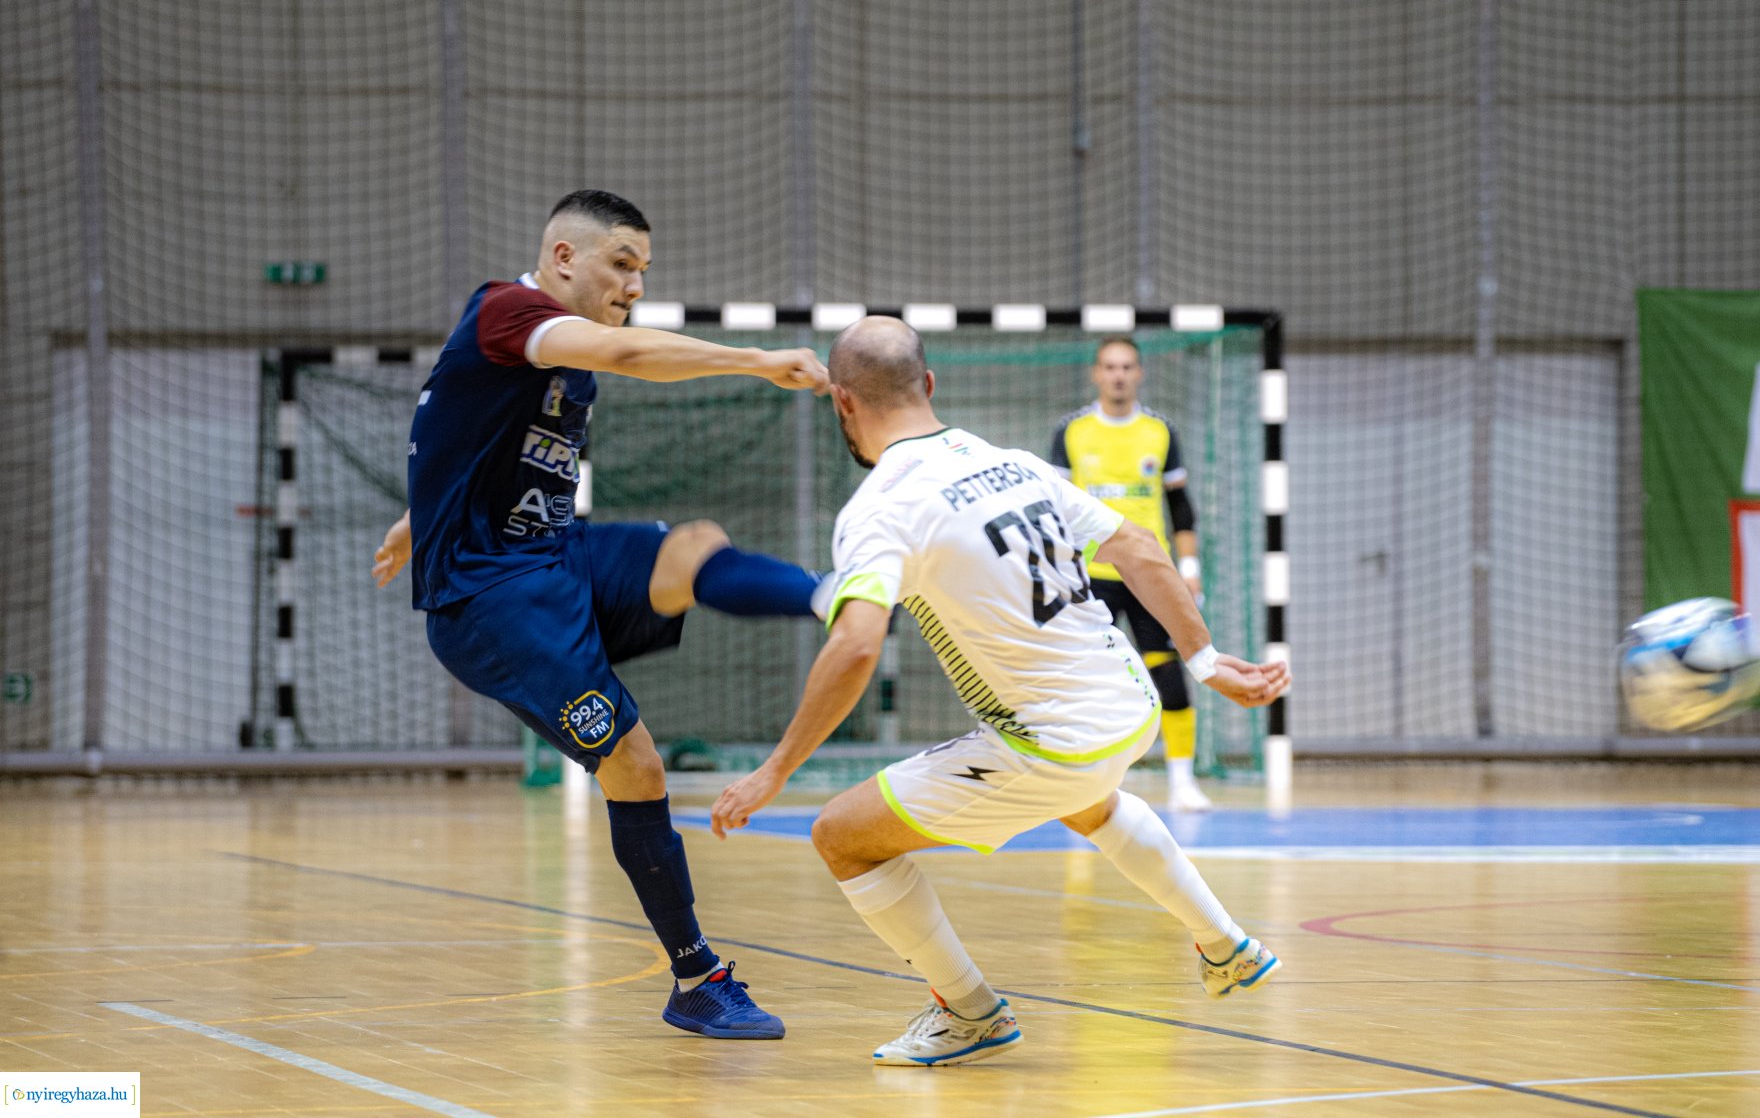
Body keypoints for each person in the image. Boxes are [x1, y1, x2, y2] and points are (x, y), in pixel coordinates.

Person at [710, 317, 1289, 1067]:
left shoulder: (880, 507)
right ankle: (1227, 944)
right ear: (929, 385)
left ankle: (970, 1010)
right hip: (1130, 704)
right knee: (1088, 797)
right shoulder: (1013, 462)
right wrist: (1205, 662)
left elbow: (855, 644)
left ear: (842, 403)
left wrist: (774, 770)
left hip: (1055, 739)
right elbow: (1140, 548)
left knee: (841, 836)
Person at [371, 189, 831, 1041]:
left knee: (693, 548)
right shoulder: (512, 312)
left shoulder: (547, 356)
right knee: (636, 767)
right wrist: (756, 359)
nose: (633, 286)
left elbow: (456, 429)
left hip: (553, 559)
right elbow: (629, 350)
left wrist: (412, 519)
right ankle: (696, 977)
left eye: (643, 272)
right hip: (491, 601)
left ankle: (835, 597)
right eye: (622, 264)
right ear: (563, 258)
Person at [1049, 336, 1215, 811]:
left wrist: (1189, 570)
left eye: (1127, 367)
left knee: (1170, 670)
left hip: (1148, 573)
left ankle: (1182, 780)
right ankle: (1079, 782)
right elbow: (1054, 510)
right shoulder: (1072, 431)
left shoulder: (1160, 431)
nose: (1118, 375)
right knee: (1079, 679)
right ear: (1096, 374)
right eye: (1109, 367)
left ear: (1139, 373)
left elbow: (1180, 508)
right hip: (1088, 575)